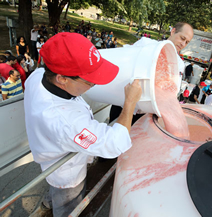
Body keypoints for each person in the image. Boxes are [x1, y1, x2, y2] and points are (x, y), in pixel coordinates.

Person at [26, 33, 142, 217]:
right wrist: (130, 103)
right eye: (90, 81)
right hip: (68, 175)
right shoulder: (68, 123)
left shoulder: (38, 76)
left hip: (49, 155)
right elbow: (115, 143)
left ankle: (48, 201)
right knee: (68, 205)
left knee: (53, 185)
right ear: (62, 79)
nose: (93, 84)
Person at [109, 22, 194, 124]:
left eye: (187, 42)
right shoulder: (146, 43)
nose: (183, 44)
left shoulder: (179, 64)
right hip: (122, 103)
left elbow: (171, 90)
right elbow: (123, 58)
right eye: (182, 38)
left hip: (144, 113)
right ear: (173, 31)